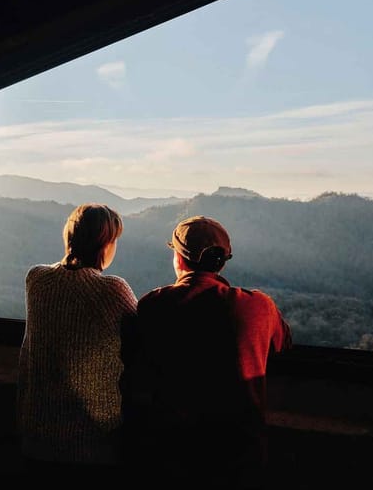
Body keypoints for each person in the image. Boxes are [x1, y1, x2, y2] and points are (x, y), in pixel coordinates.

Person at [122, 215, 292, 489]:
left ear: (179, 259)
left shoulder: (154, 305)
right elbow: (282, 344)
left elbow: (134, 360)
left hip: (172, 452)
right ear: (222, 261)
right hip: (240, 454)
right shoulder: (258, 306)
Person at [17, 203, 138, 487]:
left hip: (36, 439)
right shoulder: (112, 290)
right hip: (92, 446)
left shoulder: (37, 279)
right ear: (104, 244)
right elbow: (144, 335)